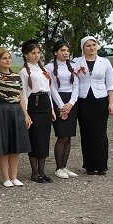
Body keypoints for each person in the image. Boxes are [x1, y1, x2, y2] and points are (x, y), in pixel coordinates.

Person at [0, 36, 31, 187]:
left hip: (15, 110)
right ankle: (5, 177)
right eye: (4, 58)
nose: (7, 60)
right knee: (3, 145)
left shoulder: (16, 76)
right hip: (1, 110)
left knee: (15, 146)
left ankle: (14, 176)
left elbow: (21, 96)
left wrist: (25, 114)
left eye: (9, 57)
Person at [75, 36, 113, 175]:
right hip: (83, 100)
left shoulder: (105, 62)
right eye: (88, 46)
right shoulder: (76, 62)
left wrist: (111, 103)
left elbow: (110, 84)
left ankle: (101, 165)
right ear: (83, 48)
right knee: (86, 133)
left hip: (100, 100)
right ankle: (89, 165)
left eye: (94, 45)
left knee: (100, 133)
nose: (92, 48)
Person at [19, 40, 55, 184]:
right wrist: (26, 113)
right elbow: (24, 93)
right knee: (35, 138)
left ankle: (42, 170)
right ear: (26, 55)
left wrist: (52, 108)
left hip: (45, 103)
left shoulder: (43, 70)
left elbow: (49, 91)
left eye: (38, 53)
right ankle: (34, 172)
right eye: (33, 53)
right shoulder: (24, 72)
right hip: (34, 104)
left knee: (44, 138)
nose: (36, 55)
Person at [46, 40, 80, 179]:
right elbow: (51, 87)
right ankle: (58, 167)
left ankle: (65, 166)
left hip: (71, 100)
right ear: (56, 52)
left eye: (67, 50)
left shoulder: (73, 66)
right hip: (58, 99)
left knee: (69, 136)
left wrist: (71, 103)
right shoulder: (49, 67)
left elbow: (76, 85)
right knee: (62, 135)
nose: (65, 53)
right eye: (62, 50)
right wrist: (61, 106)